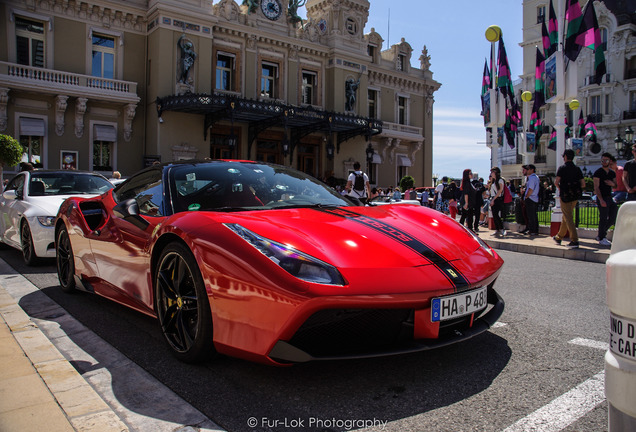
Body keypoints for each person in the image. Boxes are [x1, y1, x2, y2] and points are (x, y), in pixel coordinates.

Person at [553, 149, 585, 248]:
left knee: (568, 217)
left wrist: (560, 188)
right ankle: (559, 237)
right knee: (566, 216)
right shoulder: (577, 169)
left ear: (565, 157)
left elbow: (556, 182)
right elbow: (583, 184)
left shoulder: (562, 168)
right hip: (575, 196)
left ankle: (574, 240)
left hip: (565, 196)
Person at [593, 153, 617, 247]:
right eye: (602, 160)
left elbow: (615, 185)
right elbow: (596, 187)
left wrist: (612, 184)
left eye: (606, 160)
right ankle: (602, 237)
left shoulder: (612, 173)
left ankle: (600, 234)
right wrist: (601, 200)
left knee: (613, 217)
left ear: (609, 161)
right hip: (602, 197)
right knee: (603, 218)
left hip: (609, 197)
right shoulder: (598, 172)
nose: (604, 162)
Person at [523, 164, 540, 236]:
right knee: (533, 215)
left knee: (531, 215)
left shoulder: (532, 178)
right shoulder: (536, 177)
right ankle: (534, 229)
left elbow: (531, 189)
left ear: (532, 170)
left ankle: (533, 230)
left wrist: (527, 196)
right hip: (534, 198)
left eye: (528, 169)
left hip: (531, 198)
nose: (527, 170)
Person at [488, 167, 506, 236]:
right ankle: (497, 229)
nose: (491, 174)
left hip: (497, 199)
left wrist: (493, 199)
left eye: (492, 172)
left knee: (496, 215)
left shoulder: (500, 180)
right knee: (494, 215)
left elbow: (500, 191)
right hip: (493, 198)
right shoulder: (493, 181)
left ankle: (501, 228)